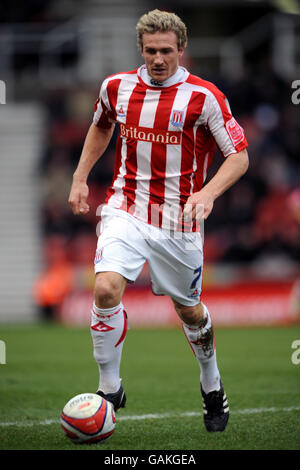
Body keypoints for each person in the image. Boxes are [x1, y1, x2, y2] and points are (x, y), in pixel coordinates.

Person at [68, 9, 249, 433]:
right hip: (125, 207)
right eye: (151, 51)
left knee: (190, 313)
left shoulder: (205, 97)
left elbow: (239, 156)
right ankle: (110, 389)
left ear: (181, 50)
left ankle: (211, 383)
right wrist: (79, 178)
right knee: (107, 287)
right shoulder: (116, 87)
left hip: (178, 220)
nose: (158, 59)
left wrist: (207, 193)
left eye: (167, 51)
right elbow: (100, 127)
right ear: (141, 49)